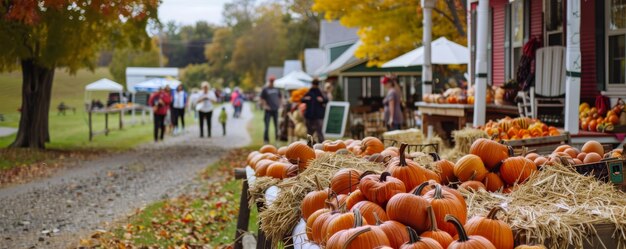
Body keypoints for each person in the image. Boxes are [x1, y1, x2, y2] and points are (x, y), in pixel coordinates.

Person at [302, 78, 328, 143]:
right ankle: (310, 145)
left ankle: (320, 145)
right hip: (310, 115)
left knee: (317, 132)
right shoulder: (310, 92)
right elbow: (302, 99)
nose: (314, 85)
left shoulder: (319, 92)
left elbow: (326, 100)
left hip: (317, 115)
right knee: (312, 132)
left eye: (315, 84)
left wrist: (322, 100)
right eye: (314, 84)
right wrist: (306, 99)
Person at [259, 76, 282, 144]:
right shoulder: (265, 89)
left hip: (275, 110)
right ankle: (266, 140)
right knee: (267, 126)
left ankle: (277, 139)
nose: (272, 82)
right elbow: (261, 98)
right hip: (268, 111)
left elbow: (280, 97)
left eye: (273, 81)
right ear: (269, 81)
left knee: (276, 126)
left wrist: (280, 104)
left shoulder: (276, 89)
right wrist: (265, 106)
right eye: (271, 81)